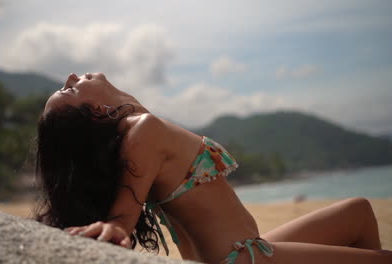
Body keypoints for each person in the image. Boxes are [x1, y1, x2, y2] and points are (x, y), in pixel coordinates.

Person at [35, 72, 392, 264]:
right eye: (68, 90)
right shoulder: (143, 131)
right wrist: (111, 228)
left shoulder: (139, 135)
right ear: (95, 112)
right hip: (241, 259)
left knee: (358, 211)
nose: (71, 76)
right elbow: (122, 218)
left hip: (247, 250)